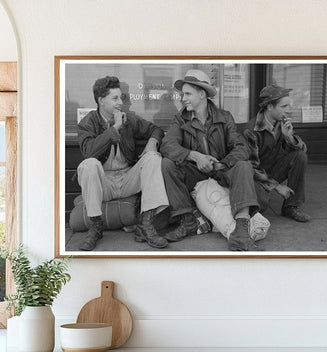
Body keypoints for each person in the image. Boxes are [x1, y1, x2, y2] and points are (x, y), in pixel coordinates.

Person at [160, 69, 261, 251]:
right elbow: (167, 145)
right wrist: (194, 156)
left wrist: (221, 163)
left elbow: (241, 148)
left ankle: (241, 231)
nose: (183, 98)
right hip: (195, 173)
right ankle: (187, 221)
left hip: (222, 170)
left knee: (243, 165)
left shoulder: (225, 117)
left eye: (188, 93)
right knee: (167, 164)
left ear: (202, 93)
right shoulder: (179, 119)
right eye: (183, 94)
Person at [76, 76, 169, 251]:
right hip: (103, 184)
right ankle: (96, 227)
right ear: (101, 100)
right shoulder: (87, 123)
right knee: (89, 165)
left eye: (121, 97)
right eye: (115, 98)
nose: (120, 102)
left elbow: (155, 130)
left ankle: (146, 224)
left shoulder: (129, 119)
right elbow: (89, 152)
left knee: (153, 158)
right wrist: (115, 128)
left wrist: (152, 143)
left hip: (127, 179)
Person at [243, 84, 310, 222]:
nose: (288, 110)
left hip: (271, 170)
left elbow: (303, 150)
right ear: (269, 106)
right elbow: (251, 167)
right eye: (284, 106)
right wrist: (277, 186)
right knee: (261, 204)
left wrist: (289, 137)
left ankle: (290, 206)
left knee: (300, 156)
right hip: (253, 177)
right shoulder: (251, 130)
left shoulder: (282, 123)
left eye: (288, 106)